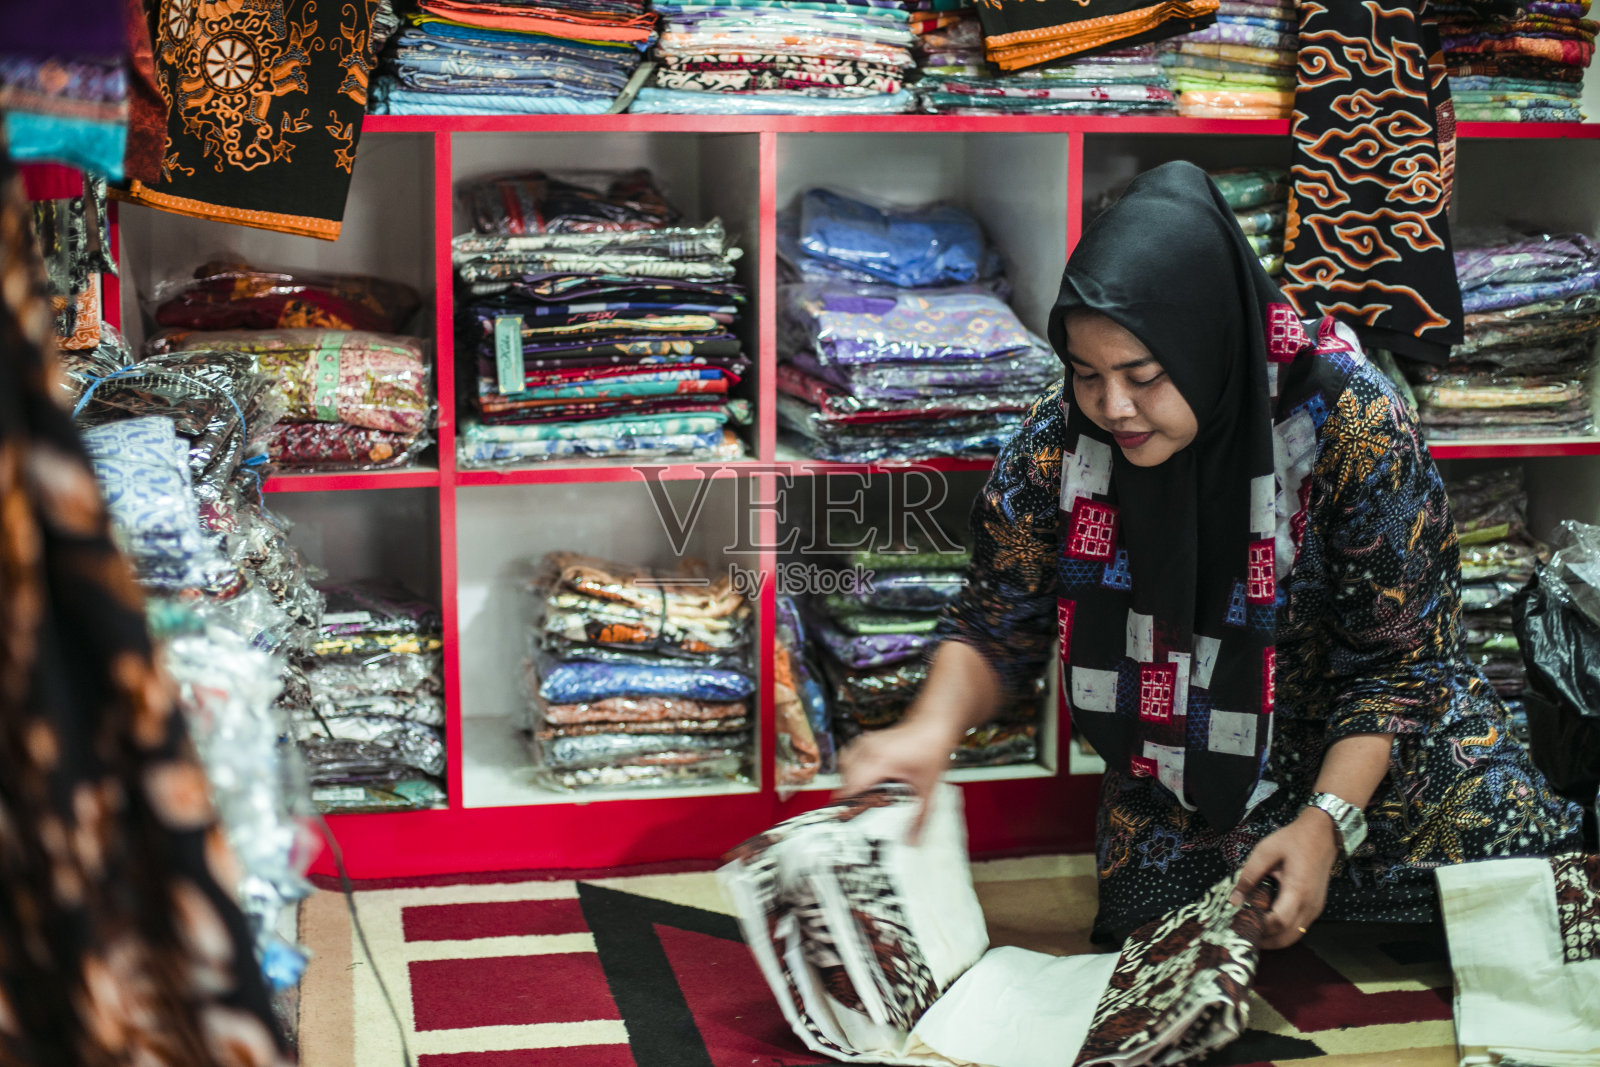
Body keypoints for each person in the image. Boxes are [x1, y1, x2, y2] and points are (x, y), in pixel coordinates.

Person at [839, 160, 1587, 950]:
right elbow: (998, 617)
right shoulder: (1062, 441)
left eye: (1144, 375)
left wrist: (1325, 823)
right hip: (1191, 757)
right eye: (1086, 374)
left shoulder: (1352, 426)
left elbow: (1400, 668)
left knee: (1516, 900)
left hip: (1374, 750)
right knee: (1154, 939)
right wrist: (927, 730)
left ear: (1210, 345)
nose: (1113, 407)